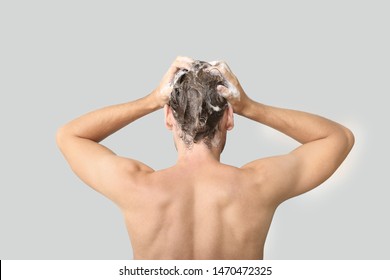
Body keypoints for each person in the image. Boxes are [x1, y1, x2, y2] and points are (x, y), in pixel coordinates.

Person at [56, 56, 354, 259]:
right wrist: (250, 106)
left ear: (169, 117)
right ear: (229, 118)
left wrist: (151, 100)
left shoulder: (135, 186)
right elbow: (338, 138)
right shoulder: (259, 185)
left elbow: (69, 135)